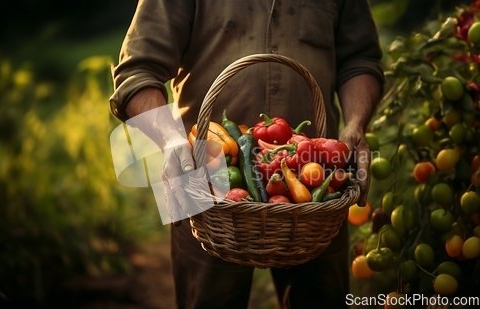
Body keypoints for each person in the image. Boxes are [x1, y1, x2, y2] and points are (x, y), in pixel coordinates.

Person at [109, 0, 384, 308]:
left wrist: (357, 124)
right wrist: (171, 141)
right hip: (203, 182)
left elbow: (361, 61)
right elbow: (136, 71)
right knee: (208, 300)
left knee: (321, 299)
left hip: (318, 185)